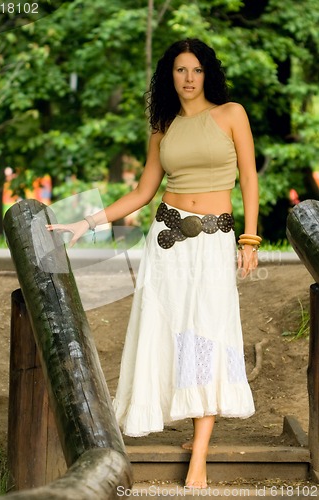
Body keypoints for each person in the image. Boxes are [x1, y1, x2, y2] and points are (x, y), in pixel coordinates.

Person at [46, 38, 259, 489]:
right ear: (170, 76)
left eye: (196, 70)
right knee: (165, 330)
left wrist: (250, 240)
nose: (188, 78)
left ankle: (198, 456)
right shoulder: (163, 127)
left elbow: (250, 180)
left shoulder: (231, 114)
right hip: (166, 242)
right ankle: (190, 422)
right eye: (180, 70)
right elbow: (143, 192)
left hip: (213, 241)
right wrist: (88, 221)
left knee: (207, 332)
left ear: (208, 74)